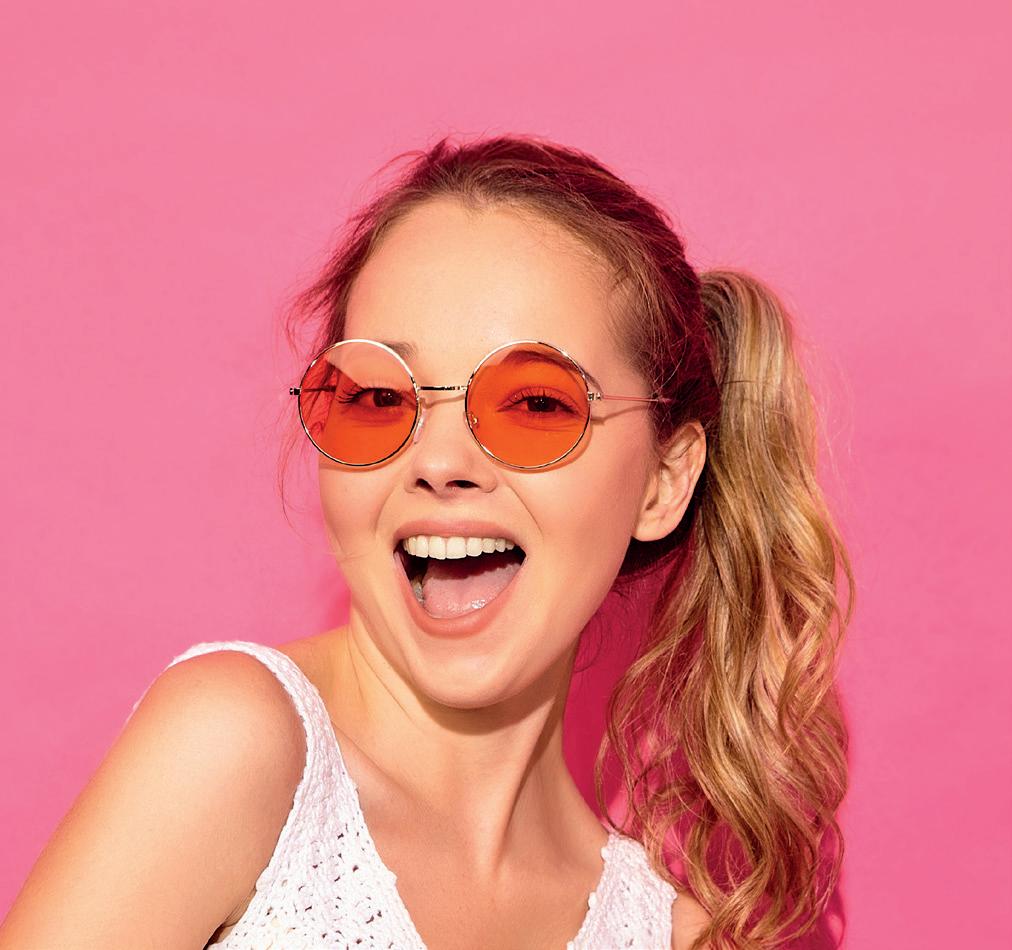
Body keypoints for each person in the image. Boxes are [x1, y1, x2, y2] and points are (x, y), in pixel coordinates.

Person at [0, 134, 853, 950]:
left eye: (536, 404)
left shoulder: (677, 937)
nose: (439, 462)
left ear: (663, 482)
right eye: (379, 399)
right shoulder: (236, 744)